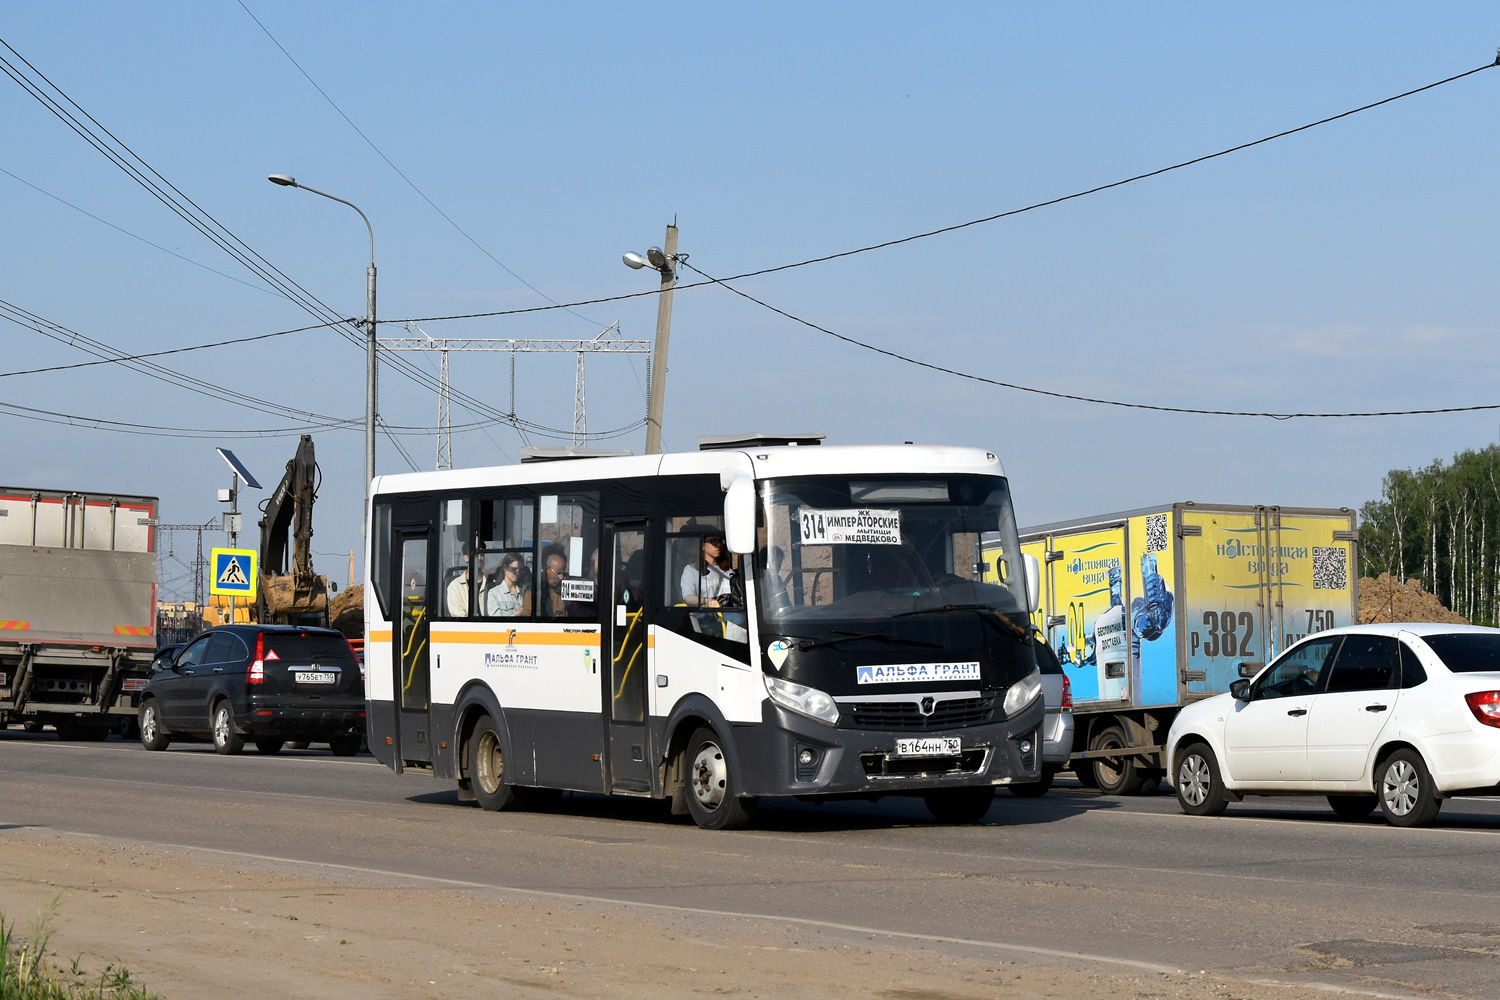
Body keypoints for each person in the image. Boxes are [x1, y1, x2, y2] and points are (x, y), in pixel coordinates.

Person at [681, 534, 733, 608]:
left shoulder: (728, 571)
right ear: (702, 545)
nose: (718, 544)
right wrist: (707, 601)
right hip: (704, 613)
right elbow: (688, 597)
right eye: (713, 541)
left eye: (720, 541)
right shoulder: (691, 570)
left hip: (728, 612)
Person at [485, 552, 531, 617]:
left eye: (520, 570)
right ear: (504, 567)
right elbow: (495, 621)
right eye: (514, 569)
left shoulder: (525, 591)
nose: (517, 573)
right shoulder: (494, 593)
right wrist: (515, 615)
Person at [539, 546, 568, 617]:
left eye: (563, 574)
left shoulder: (564, 589)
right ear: (547, 570)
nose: (561, 577)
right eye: (558, 573)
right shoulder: (534, 590)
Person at [445, 541, 472, 618]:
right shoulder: (454, 586)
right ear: (466, 558)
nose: (480, 558)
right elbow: (459, 616)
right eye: (477, 554)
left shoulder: (490, 584)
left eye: (482, 554)